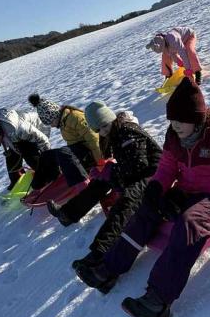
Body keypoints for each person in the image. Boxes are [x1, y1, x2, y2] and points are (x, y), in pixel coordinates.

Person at [75, 78, 210, 317]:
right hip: (185, 188)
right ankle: (109, 269)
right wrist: (156, 188)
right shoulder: (174, 136)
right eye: (172, 120)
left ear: (196, 119)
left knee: (188, 225)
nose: (174, 126)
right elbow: (167, 166)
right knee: (145, 211)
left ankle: (158, 300)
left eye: (180, 121)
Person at [47, 102, 163, 270]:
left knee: (126, 201)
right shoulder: (113, 133)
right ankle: (68, 214)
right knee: (99, 183)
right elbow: (125, 164)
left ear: (111, 118)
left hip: (155, 174)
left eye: (104, 126)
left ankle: (99, 252)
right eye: (98, 129)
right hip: (136, 173)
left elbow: (139, 166)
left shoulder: (127, 131)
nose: (103, 131)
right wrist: (106, 172)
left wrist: (111, 171)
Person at [0, 108, 86, 191]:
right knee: (11, 155)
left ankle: (52, 176)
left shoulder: (17, 128)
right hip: (16, 137)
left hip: (39, 128)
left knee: (26, 151)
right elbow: (10, 144)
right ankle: (16, 181)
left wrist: (49, 161)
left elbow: (43, 139)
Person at [28, 94, 101, 170]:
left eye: (51, 122)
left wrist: (100, 162)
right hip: (82, 153)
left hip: (93, 153)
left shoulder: (75, 118)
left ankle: (81, 176)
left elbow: (94, 140)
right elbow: (72, 143)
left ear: (55, 115)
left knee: (63, 154)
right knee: (47, 155)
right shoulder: (63, 122)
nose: (52, 126)